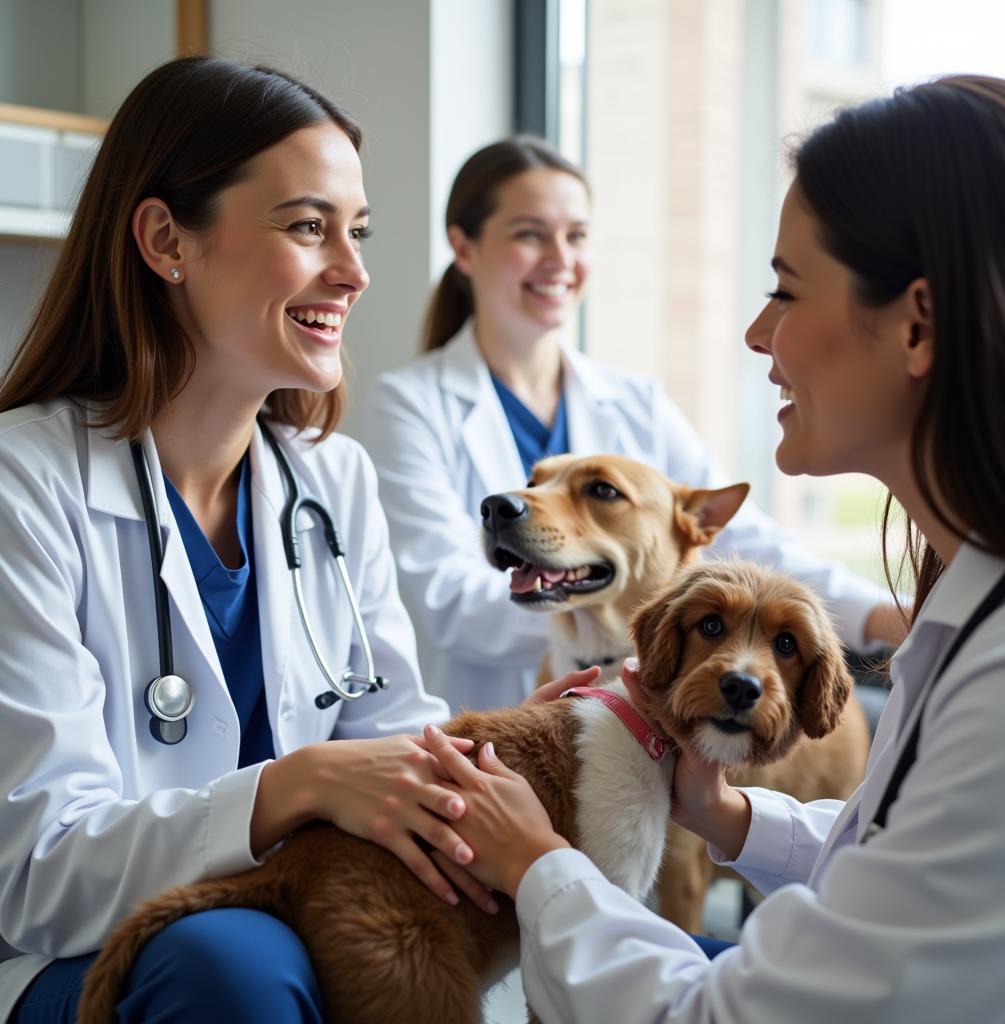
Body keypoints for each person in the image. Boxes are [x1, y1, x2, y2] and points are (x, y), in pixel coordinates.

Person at [0, 57, 607, 1024]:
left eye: (356, 232)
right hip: (81, 961)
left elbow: (395, 741)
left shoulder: (330, 482)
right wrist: (293, 787)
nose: (356, 272)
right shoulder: (23, 486)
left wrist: (511, 744)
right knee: (232, 962)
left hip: (299, 915)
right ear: (166, 241)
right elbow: (38, 873)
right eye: (307, 226)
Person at [423, 74, 1005, 1022]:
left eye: (785, 291)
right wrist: (730, 816)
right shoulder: (982, 621)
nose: (755, 333)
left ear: (916, 323)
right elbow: (898, 856)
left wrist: (537, 864)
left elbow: (728, 1016)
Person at [360, 136, 904, 714]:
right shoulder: (408, 403)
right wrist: (623, 597)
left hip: (641, 717)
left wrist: (877, 615)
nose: (559, 259)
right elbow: (450, 602)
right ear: (464, 249)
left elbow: (737, 534)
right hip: (496, 720)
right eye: (529, 233)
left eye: (576, 236)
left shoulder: (633, 401)